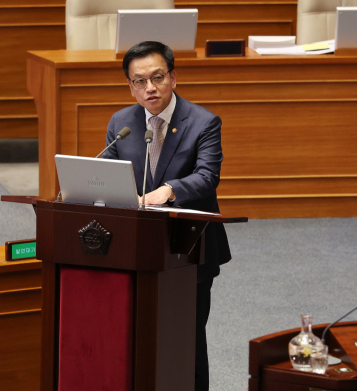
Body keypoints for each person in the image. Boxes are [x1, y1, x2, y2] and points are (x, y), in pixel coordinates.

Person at [103, 41, 231, 391]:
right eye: (139, 81)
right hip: (136, 248)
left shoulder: (203, 122)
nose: (150, 88)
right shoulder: (121, 123)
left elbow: (207, 177)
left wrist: (169, 190)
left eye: (157, 77)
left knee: (186, 337)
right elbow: (110, 175)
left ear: (174, 77)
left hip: (189, 247)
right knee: (138, 331)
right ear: (130, 85)